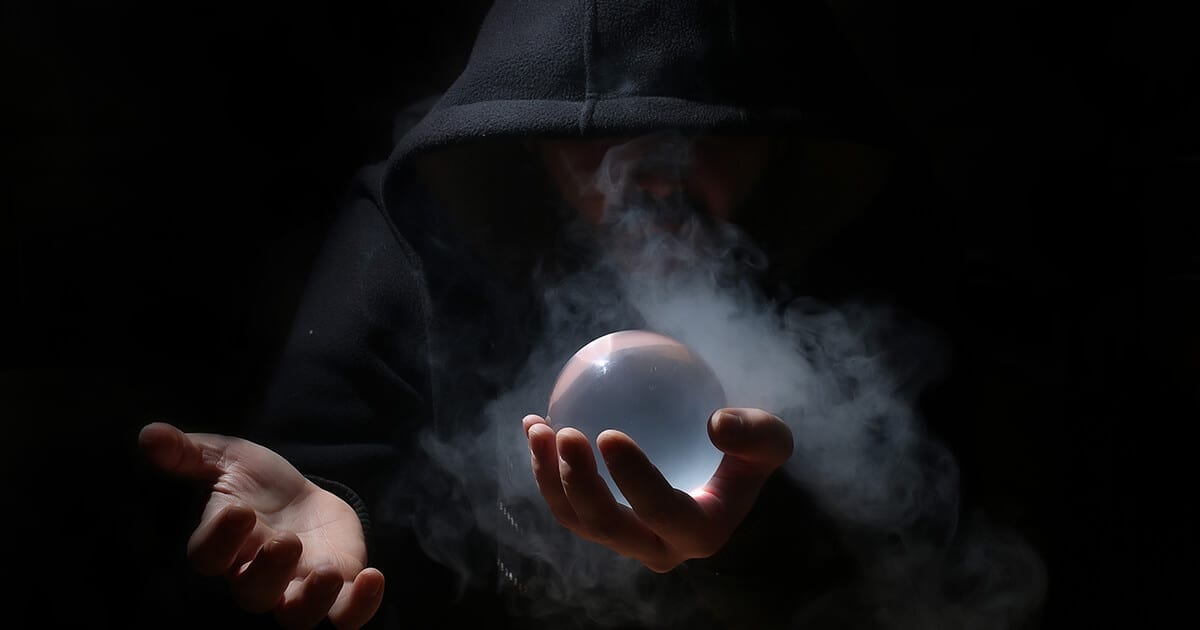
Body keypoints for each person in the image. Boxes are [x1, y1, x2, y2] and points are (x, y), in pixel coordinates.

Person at [139, 1, 963, 629]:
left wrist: (747, 550)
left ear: (776, 140)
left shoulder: (859, 266)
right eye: (602, 136)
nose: (656, 180)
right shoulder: (416, 234)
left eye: (705, 136)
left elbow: (935, 564)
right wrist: (336, 500)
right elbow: (324, 466)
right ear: (524, 138)